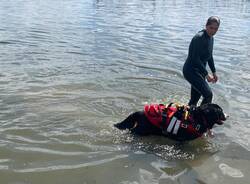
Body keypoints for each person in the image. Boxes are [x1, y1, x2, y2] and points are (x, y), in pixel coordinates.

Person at [183, 16, 220, 107]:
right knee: (208, 95)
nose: (213, 31)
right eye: (211, 28)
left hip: (200, 71)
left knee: (195, 99)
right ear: (206, 26)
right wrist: (206, 74)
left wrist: (214, 72)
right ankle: (202, 119)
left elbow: (209, 56)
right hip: (190, 71)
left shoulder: (211, 38)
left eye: (216, 29)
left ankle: (189, 117)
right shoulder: (198, 38)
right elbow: (194, 58)